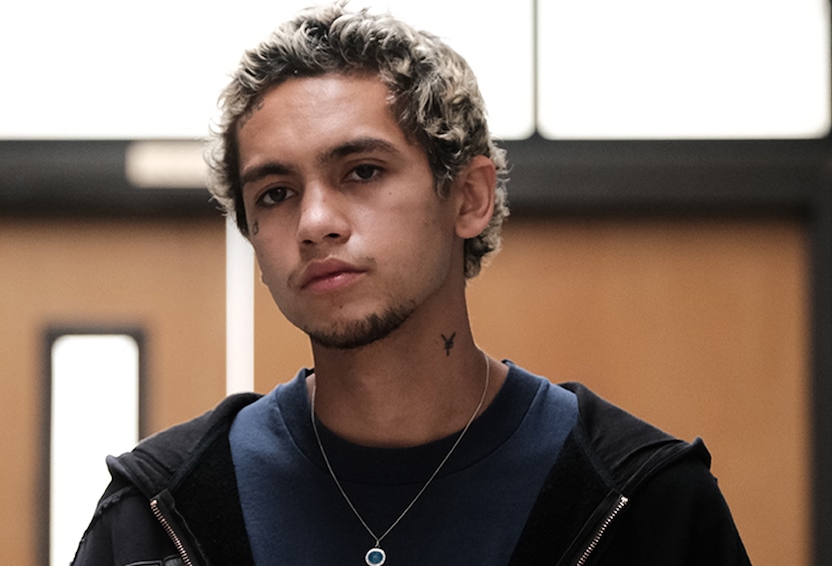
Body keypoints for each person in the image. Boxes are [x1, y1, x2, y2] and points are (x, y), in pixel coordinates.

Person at [72, 4, 750, 565]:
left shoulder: (645, 506)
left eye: (362, 172)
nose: (314, 222)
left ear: (469, 197)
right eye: (275, 193)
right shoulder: (157, 516)